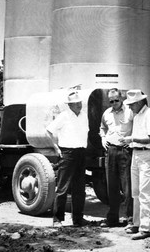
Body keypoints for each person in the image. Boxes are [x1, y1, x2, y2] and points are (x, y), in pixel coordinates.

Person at [119, 89, 150, 240]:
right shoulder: (137, 116)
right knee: (135, 192)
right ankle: (137, 223)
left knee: (145, 193)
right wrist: (132, 141)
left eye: (131, 105)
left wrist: (131, 139)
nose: (130, 108)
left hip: (146, 155)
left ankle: (145, 228)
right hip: (136, 154)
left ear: (139, 102)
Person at [46, 90, 89, 227]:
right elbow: (49, 130)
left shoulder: (84, 116)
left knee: (79, 189)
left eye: (79, 102)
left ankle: (78, 219)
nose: (78, 105)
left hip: (81, 153)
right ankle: (57, 219)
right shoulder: (63, 116)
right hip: (67, 154)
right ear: (69, 105)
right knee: (63, 188)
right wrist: (56, 148)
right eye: (75, 103)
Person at [99, 88, 133, 227]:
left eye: (116, 100)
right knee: (111, 187)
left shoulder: (130, 112)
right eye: (111, 101)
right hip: (110, 152)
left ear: (121, 99)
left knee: (127, 187)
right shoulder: (106, 113)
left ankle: (130, 219)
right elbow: (102, 127)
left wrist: (131, 141)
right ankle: (112, 219)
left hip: (125, 151)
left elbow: (137, 127)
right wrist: (102, 138)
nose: (114, 103)